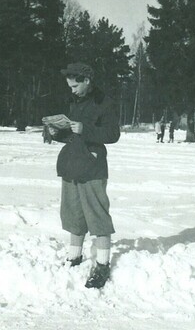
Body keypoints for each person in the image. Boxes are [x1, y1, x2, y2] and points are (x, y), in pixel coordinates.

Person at [47, 62, 120, 289]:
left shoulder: (105, 103)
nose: (72, 90)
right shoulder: (75, 101)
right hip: (71, 164)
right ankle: (74, 256)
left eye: (75, 86)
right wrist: (56, 133)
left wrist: (85, 129)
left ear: (87, 80)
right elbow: (73, 134)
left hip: (92, 166)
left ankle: (102, 264)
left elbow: (112, 134)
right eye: (69, 87)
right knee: (73, 214)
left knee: (97, 215)